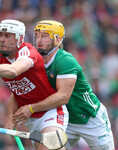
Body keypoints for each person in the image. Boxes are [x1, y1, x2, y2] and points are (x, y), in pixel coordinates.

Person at [0, 19, 69, 150]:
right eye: (1, 35)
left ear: (19, 39)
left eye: (7, 36)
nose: (2, 39)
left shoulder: (28, 52)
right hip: (30, 118)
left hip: (51, 112)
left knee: (49, 148)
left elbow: (13, 71)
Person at [32, 20, 115, 150]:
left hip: (89, 116)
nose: (39, 40)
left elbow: (63, 97)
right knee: (46, 147)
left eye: (44, 36)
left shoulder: (65, 60)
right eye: (37, 36)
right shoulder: (35, 62)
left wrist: (31, 108)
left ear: (57, 39)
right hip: (66, 119)